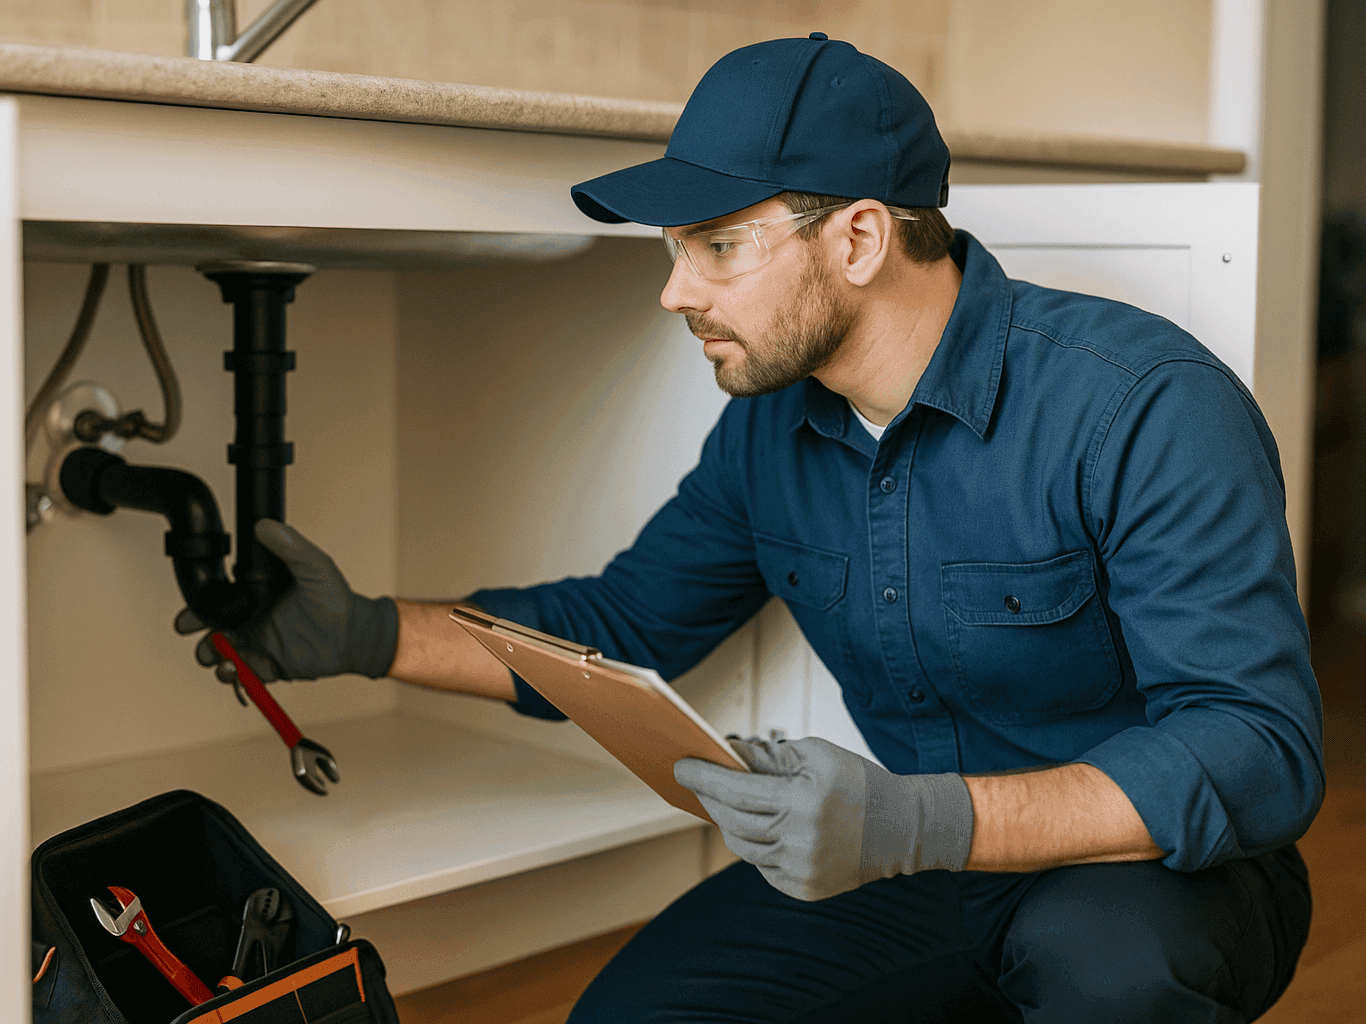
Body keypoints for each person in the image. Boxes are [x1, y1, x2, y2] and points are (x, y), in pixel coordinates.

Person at [177, 33, 1323, 1023]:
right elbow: (625, 623)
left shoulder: (1140, 407)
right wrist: (365, 631)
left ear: (860, 239)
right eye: (676, 250)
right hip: (921, 862)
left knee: (1109, 978)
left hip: (1152, 872)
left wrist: (919, 818)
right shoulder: (776, 434)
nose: (677, 292)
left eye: (716, 247)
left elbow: (1258, 750)